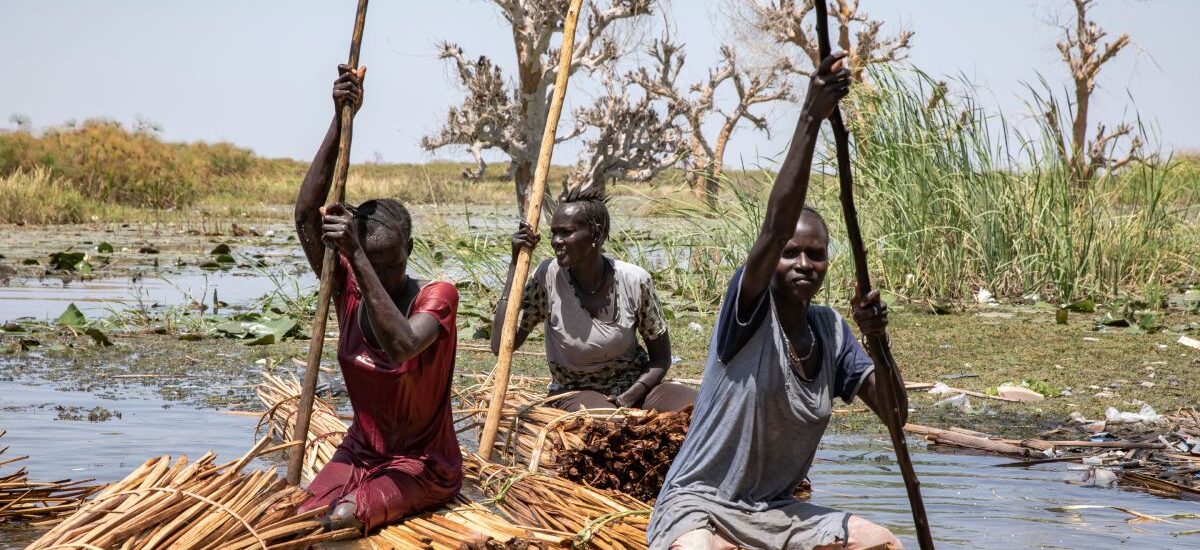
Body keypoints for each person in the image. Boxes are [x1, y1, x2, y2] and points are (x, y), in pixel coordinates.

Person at [646, 52, 906, 550]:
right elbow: (774, 227)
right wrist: (811, 117)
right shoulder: (748, 310)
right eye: (791, 254)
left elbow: (896, 418)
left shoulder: (832, 333)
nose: (803, 263)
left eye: (816, 254)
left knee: (883, 542)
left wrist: (879, 342)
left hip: (779, 512)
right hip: (701, 505)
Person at [293, 64, 461, 533]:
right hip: (360, 452)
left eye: (394, 264)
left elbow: (403, 344)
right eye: (374, 263)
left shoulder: (437, 298)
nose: (384, 277)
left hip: (423, 466)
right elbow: (306, 214)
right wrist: (340, 116)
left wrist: (357, 257)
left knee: (343, 521)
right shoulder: (347, 287)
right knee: (296, 519)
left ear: (410, 251)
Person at [490, 188, 696, 412]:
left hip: (636, 388)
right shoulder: (547, 277)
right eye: (553, 233)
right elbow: (501, 346)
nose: (555, 241)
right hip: (576, 392)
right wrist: (514, 264)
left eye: (566, 232)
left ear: (596, 234)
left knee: (703, 407)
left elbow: (661, 360)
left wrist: (630, 396)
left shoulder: (635, 280)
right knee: (608, 423)